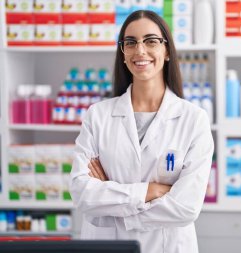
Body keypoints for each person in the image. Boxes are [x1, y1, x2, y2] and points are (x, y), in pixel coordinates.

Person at [69, 10, 214, 253]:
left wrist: (112, 202)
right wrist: (150, 191)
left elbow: (186, 207)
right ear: (123, 53)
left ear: (167, 51)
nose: (140, 50)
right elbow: (83, 193)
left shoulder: (193, 119)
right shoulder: (98, 116)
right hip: (107, 246)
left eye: (151, 41)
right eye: (131, 42)